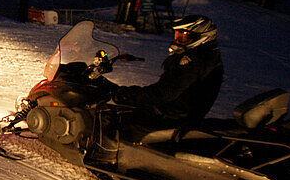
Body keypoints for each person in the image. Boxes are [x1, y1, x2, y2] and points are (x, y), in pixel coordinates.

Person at [86, 15, 224, 168]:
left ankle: (103, 156)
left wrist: (127, 95)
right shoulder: (209, 57)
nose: (178, 40)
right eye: (177, 35)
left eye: (184, 37)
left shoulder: (193, 60)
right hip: (183, 112)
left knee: (107, 108)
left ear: (202, 37)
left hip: (171, 114)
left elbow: (164, 93)